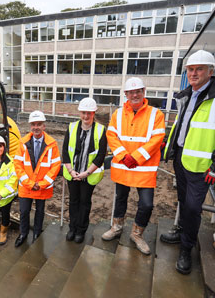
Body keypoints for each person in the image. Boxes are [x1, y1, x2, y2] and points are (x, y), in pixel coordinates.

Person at [160, 50, 215, 274]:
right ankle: (182, 232)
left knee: (193, 208)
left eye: (199, 69)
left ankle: (186, 248)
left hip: (202, 166)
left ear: (211, 72)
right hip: (182, 158)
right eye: (190, 69)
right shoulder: (187, 95)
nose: (193, 73)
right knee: (183, 201)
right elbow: (181, 126)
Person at [102, 77, 165, 255]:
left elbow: (157, 139)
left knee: (146, 205)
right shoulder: (118, 114)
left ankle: (137, 234)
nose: (135, 95)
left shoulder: (156, 114)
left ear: (144, 92)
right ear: (126, 95)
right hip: (123, 166)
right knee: (120, 198)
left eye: (138, 91)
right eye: (131, 92)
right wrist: (123, 156)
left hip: (144, 169)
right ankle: (117, 227)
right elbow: (111, 136)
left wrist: (136, 158)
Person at [13, 110, 61, 247]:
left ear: (44, 126)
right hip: (26, 186)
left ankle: (36, 233)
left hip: (42, 187)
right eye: (33, 124)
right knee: (24, 211)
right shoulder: (22, 143)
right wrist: (29, 183)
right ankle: (23, 234)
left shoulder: (52, 144)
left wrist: (42, 184)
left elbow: (55, 166)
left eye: (39, 124)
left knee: (40, 211)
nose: (36, 127)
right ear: (30, 126)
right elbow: (17, 164)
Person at [63, 97, 107, 243]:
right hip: (73, 174)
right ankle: (72, 228)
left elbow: (100, 156)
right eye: (83, 113)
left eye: (89, 113)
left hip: (88, 175)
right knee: (73, 201)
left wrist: (86, 173)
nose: (86, 116)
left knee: (84, 202)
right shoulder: (71, 128)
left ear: (94, 113)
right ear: (79, 113)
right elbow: (65, 152)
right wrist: (71, 171)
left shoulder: (101, 130)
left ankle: (81, 230)